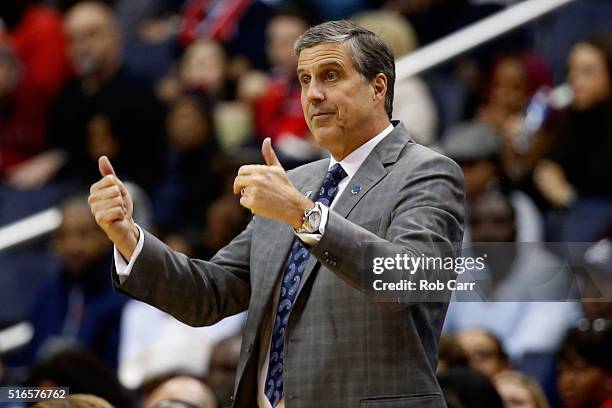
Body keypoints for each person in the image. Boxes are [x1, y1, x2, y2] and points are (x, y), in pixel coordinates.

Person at [89, 20, 465, 407]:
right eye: (303, 80)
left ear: (378, 88)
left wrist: (305, 215)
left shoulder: (426, 172)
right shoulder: (295, 183)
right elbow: (211, 295)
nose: (313, 94)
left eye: (330, 76)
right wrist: (128, 238)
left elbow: (409, 280)